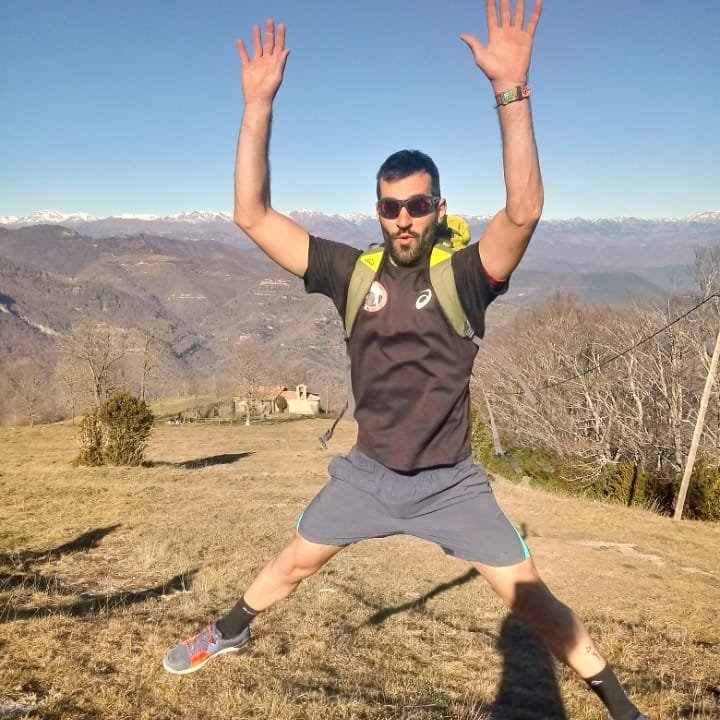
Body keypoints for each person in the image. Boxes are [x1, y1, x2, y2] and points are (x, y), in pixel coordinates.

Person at [163, 3, 647, 718]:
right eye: (391, 207)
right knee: (292, 563)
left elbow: (522, 213)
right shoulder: (351, 274)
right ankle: (230, 630)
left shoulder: (463, 279)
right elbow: (252, 216)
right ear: (378, 210)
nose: (404, 219)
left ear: (438, 206)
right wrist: (257, 105)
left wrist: (511, 92)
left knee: (535, 603)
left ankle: (620, 705)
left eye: (417, 205)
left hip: (451, 485)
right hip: (368, 477)